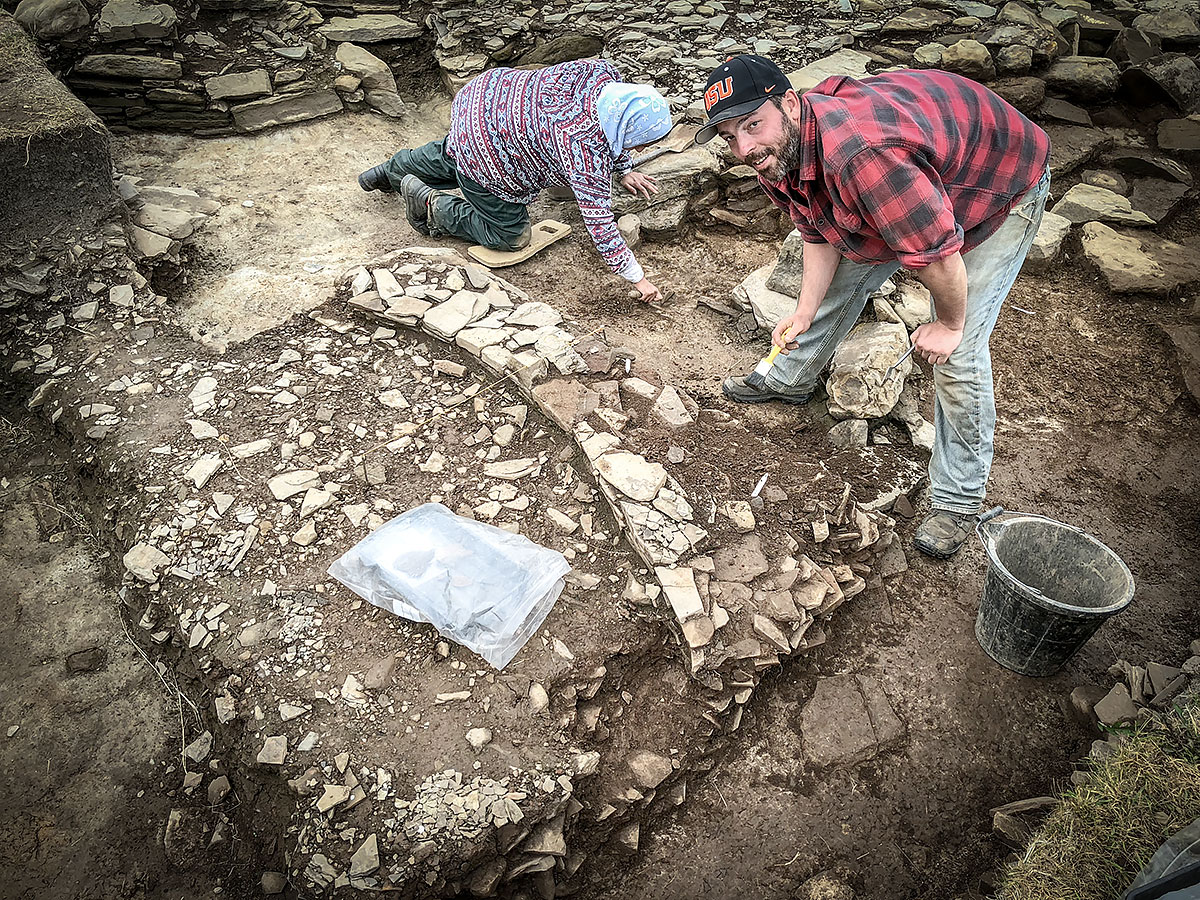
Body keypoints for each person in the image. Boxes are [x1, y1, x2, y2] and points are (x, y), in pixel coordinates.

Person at [697, 55, 1051, 559]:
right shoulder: (775, 152)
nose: (744, 146)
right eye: (730, 136)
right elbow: (817, 230)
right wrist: (802, 311)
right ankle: (792, 377)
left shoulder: (863, 156)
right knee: (844, 273)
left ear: (790, 104)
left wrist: (949, 324)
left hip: (996, 176)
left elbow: (939, 259)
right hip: (920, 168)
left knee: (958, 352)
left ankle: (958, 502)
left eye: (752, 124)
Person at [358, 59, 671, 302]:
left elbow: (612, 129)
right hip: (494, 156)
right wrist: (639, 279)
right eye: (641, 140)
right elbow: (600, 224)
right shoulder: (582, 151)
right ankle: (431, 205)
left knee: (453, 150)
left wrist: (625, 167)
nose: (643, 148)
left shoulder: (602, 74)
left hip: (486, 99)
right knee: (511, 236)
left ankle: (389, 171)